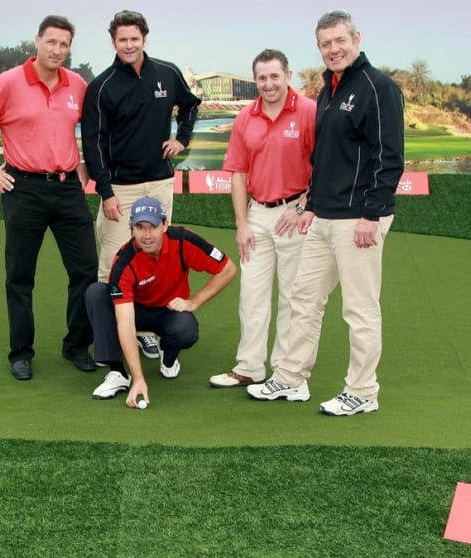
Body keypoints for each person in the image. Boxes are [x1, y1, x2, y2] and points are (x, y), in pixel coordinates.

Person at [247, 10, 404, 415]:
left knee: (359, 308)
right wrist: (311, 205)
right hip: (324, 216)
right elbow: (325, 157)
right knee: (303, 298)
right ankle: (290, 378)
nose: (333, 49)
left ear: (356, 38)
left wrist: (373, 214)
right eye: (326, 44)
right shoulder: (330, 89)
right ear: (319, 48)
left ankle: (363, 392)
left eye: (340, 40)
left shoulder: (378, 87)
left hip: (359, 219)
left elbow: (389, 157)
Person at [0, 15, 98, 381]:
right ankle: (21, 352)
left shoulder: (78, 85)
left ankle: (76, 346)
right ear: (37, 41)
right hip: (24, 189)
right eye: (51, 42)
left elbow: (97, 127)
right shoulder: (8, 82)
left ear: (70, 48)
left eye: (64, 44)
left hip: (69, 189)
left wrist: (86, 163)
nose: (57, 50)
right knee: (20, 276)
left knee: (85, 271)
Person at [81, 9, 201, 361]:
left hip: (160, 183)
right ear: (113, 42)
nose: (129, 45)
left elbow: (190, 106)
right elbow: (94, 143)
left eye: (135, 38)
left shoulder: (167, 72)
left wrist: (183, 139)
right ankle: (112, 345)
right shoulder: (101, 86)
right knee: (113, 264)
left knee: (153, 258)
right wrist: (105, 192)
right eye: (122, 40)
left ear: (144, 38)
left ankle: (145, 330)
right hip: (120, 189)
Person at [207, 49, 316, 389]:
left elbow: (325, 166)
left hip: (294, 216)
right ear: (255, 80)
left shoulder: (309, 112)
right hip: (256, 215)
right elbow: (237, 173)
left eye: (274, 76)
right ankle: (249, 367)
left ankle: (285, 371)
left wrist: (301, 206)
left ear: (288, 75)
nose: (268, 84)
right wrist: (241, 224)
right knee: (251, 296)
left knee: (292, 298)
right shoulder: (245, 118)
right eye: (262, 78)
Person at [86, 197, 237, 407]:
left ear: (165, 225)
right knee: (96, 293)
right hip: (136, 310)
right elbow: (125, 323)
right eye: (140, 227)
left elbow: (228, 269)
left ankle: (167, 353)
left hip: (169, 310)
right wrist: (138, 378)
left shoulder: (184, 240)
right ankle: (118, 373)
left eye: (153, 227)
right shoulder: (124, 261)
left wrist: (194, 302)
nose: (147, 235)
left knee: (186, 330)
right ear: (131, 228)